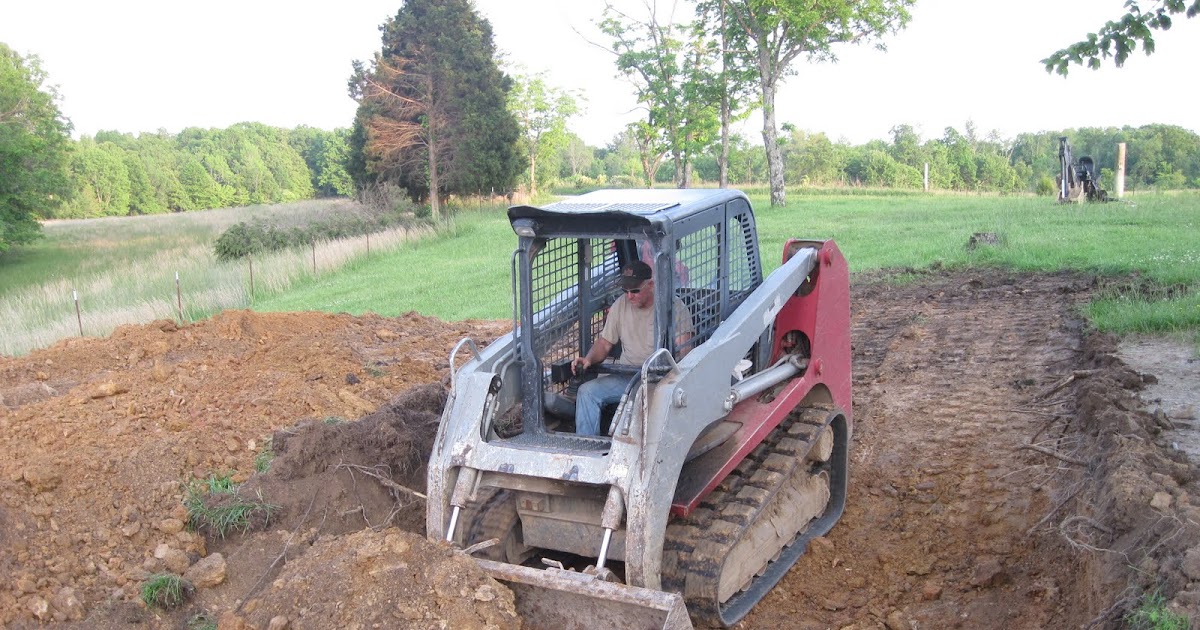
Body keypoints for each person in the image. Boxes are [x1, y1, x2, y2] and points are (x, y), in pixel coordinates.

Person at [571, 260, 693, 436]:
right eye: (625, 291)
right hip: (627, 376)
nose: (629, 296)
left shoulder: (675, 308)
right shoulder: (620, 305)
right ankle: (586, 447)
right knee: (587, 392)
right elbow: (605, 343)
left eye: (635, 291)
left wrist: (672, 381)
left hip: (659, 381)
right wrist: (588, 358)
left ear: (650, 285)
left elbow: (685, 351)